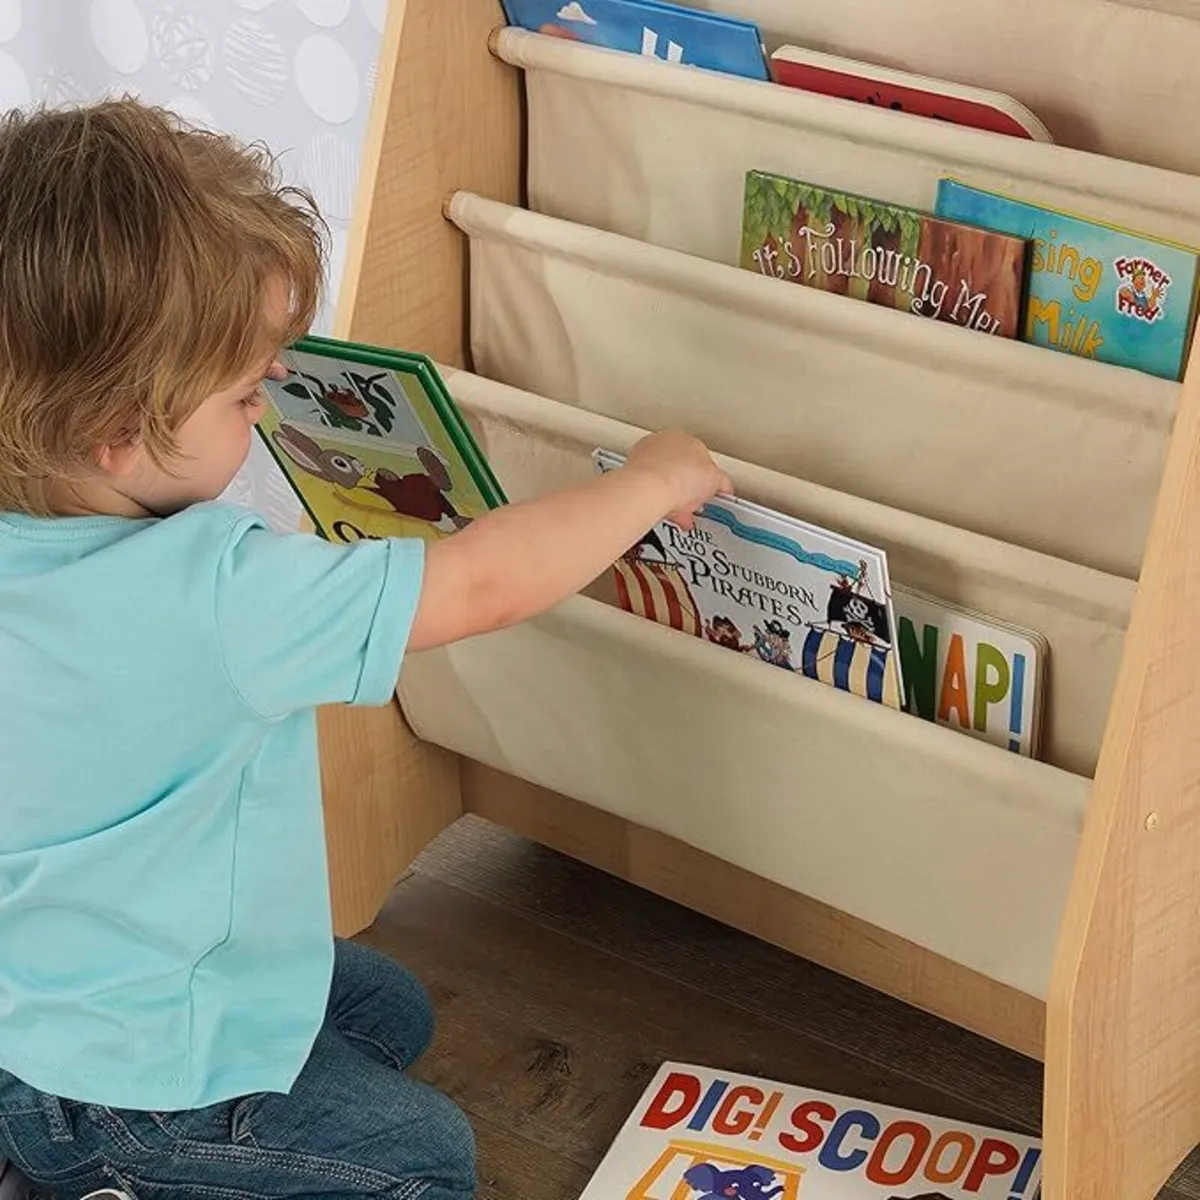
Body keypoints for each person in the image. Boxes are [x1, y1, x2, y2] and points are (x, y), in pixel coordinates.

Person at [0, 99, 731, 1200]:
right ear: (117, 433)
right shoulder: (217, 592)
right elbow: (481, 585)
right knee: (424, 1158)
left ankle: (69, 1140)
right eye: (247, 392)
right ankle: (110, 1177)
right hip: (139, 1080)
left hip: (48, 1009)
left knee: (386, 1009)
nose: (274, 398)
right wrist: (650, 482)